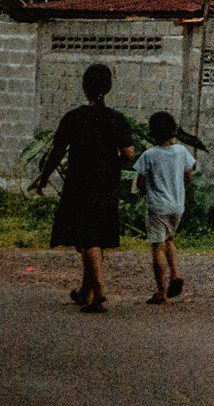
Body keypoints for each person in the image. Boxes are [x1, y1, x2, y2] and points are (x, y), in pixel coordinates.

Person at [34, 63, 133, 313]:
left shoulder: (74, 117)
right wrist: (113, 166)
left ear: (84, 87)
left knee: (87, 236)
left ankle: (99, 289)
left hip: (79, 183)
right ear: (108, 88)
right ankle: (84, 291)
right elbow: (129, 153)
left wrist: (43, 178)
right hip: (107, 184)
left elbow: (56, 152)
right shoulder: (116, 119)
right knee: (97, 236)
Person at [133, 110, 196, 305]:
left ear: (152, 133)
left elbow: (141, 184)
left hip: (157, 207)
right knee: (168, 239)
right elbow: (188, 177)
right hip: (177, 206)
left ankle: (161, 292)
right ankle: (175, 275)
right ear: (173, 131)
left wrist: (150, 189)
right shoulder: (182, 151)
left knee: (157, 247)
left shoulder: (148, 155)